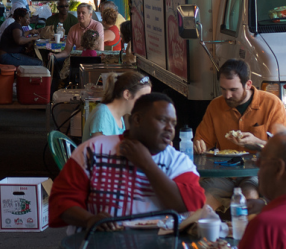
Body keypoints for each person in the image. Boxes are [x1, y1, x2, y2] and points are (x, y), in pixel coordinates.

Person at [49, 93, 205, 231]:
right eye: (163, 120)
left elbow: (191, 206)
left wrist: (147, 165)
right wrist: (89, 219)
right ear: (137, 119)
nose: (170, 129)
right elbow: (61, 201)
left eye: (173, 123)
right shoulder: (92, 151)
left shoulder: (179, 162)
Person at [193, 59, 286, 212]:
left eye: (233, 89)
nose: (227, 95)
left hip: (256, 172)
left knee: (249, 197)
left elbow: (284, 150)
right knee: (201, 201)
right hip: (223, 173)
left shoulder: (272, 104)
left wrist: (257, 143)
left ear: (248, 84)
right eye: (223, 89)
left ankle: (249, 232)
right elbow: (203, 140)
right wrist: (198, 144)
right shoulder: (215, 106)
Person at [238, 130, 286, 249]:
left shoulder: (266, 226)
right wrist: (267, 207)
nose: (257, 163)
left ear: (279, 168)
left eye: (262, 158)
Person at [82, 71, 152, 142]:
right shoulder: (103, 115)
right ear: (127, 94)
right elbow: (100, 151)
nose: (144, 104)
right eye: (141, 98)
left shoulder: (119, 116)